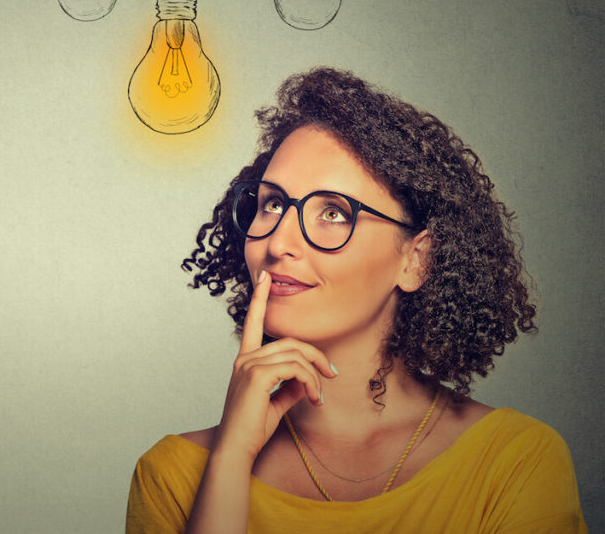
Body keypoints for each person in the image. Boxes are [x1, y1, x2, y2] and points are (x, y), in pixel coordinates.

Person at [125, 68, 587, 533]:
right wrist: (231, 459)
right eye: (271, 204)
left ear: (416, 261)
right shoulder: (174, 475)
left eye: (332, 212)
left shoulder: (514, 460)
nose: (278, 241)